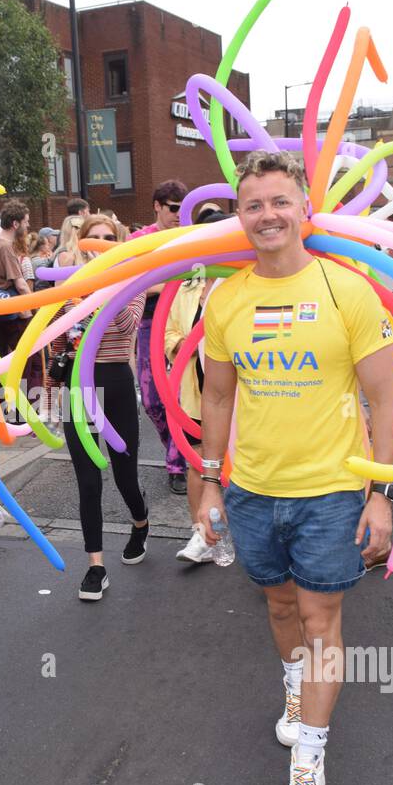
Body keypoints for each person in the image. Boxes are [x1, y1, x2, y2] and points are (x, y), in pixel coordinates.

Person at [198, 150, 393, 785]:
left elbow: (385, 401)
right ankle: (293, 690)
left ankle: (308, 759)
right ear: (240, 216)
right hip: (252, 490)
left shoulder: (349, 291)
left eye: (280, 201)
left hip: (332, 491)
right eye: (253, 205)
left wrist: (379, 492)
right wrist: (208, 481)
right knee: (280, 606)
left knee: (321, 623)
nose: (267, 215)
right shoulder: (226, 299)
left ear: (305, 208)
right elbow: (218, 397)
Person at [49, 214, 150, 600]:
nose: (102, 244)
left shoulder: (132, 283)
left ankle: (140, 523)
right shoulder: (69, 285)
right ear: (82, 242)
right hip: (78, 382)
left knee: (125, 474)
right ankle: (96, 566)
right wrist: (51, 391)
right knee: (88, 481)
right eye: (95, 239)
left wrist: (107, 287)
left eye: (110, 238)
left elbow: (126, 326)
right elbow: (58, 340)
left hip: (115, 383)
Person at [164, 212, 232, 563]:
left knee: (243, 463)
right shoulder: (186, 285)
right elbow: (168, 332)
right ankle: (201, 534)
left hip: (239, 392)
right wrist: (187, 346)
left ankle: (241, 530)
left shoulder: (241, 282)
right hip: (196, 388)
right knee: (199, 460)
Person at [131, 180, 190, 493]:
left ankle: (177, 463)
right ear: (157, 206)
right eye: (173, 208)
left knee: (180, 395)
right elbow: (133, 283)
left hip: (184, 324)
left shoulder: (192, 236)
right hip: (151, 323)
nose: (179, 215)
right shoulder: (140, 240)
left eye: (183, 209)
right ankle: (177, 447)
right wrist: (171, 282)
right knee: (153, 400)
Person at [0, 200, 34, 380]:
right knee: (26, 358)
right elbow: (20, 283)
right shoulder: (5, 246)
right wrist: (34, 305)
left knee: (0, 355)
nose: (28, 225)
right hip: (14, 312)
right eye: (25, 221)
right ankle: (24, 399)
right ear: (15, 223)